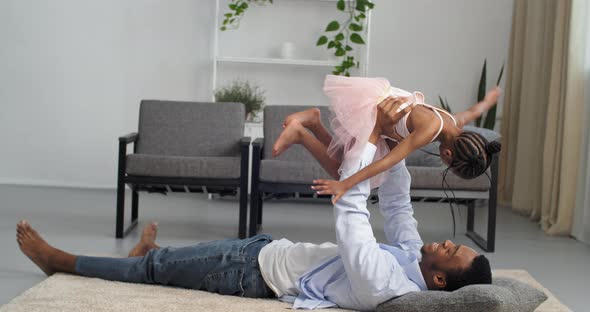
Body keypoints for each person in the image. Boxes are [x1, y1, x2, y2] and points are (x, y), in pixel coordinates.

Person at [15, 100, 492, 311]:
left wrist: (372, 137)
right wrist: (395, 138)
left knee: (159, 268)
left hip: (251, 271)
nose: (448, 242)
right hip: (267, 253)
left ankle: (61, 262)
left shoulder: (385, 284)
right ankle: (143, 260)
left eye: (451, 252)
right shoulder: (412, 262)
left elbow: (353, 215)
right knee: (167, 265)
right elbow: (398, 204)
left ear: (440, 279)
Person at [273, 75, 502, 203]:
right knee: (344, 173)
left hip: (384, 104)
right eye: (448, 166)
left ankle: (313, 122)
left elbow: (474, 111)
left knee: (344, 157)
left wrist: (490, 100)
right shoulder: (429, 131)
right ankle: (302, 133)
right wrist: (345, 184)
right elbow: (388, 162)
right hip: (376, 109)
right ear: (448, 154)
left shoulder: (452, 121)